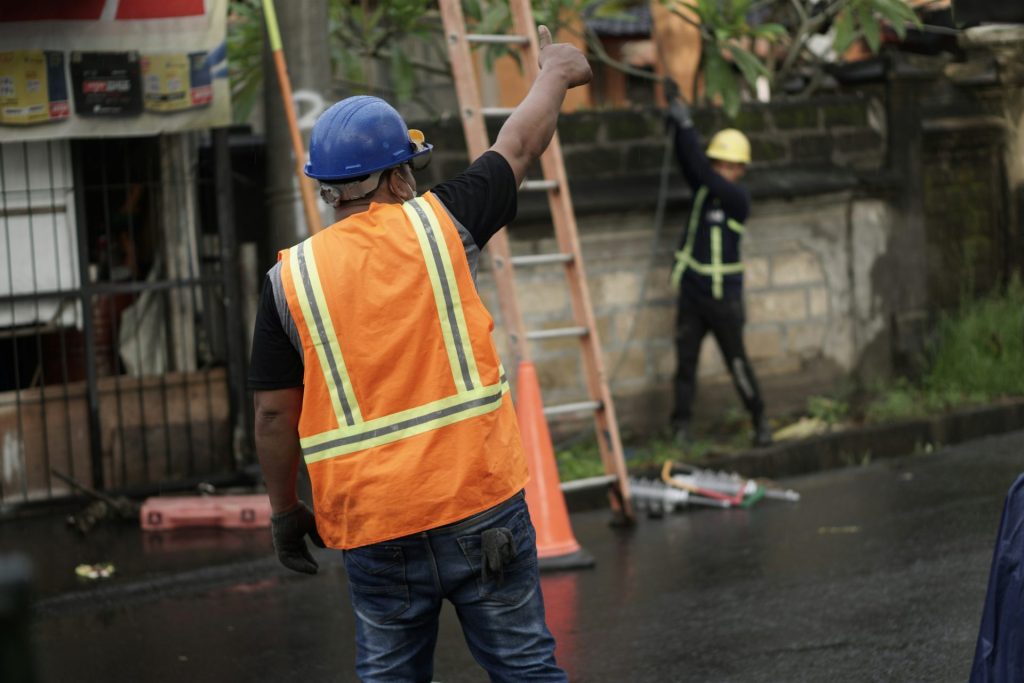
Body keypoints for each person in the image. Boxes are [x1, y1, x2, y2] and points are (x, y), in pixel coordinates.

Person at [247, 26, 589, 683]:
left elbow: (272, 415)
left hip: (375, 522)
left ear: (328, 188)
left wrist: (285, 511)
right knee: (525, 667)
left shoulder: (290, 280)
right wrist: (554, 73)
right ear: (398, 173)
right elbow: (517, 146)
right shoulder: (442, 223)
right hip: (479, 499)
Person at [664, 80, 772, 449]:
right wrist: (676, 123)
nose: (722, 170)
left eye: (730, 165)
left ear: (741, 169)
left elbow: (701, 172)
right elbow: (691, 164)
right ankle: (680, 427)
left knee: (737, 362)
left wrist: (687, 125)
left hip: (725, 299)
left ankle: (760, 420)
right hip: (693, 294)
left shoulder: (736, 199)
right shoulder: (704, 190)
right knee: (686, 364)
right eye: (718, 163)